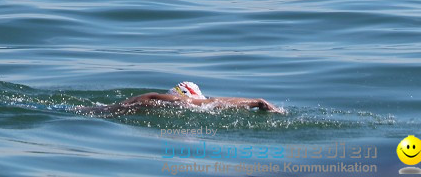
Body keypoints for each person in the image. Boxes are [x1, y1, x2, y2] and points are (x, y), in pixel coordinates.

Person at [85, 81, 285, 116]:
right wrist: (255, 101)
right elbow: (210, 103)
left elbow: (212, 102)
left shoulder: (153, 102)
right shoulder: (173, 101)